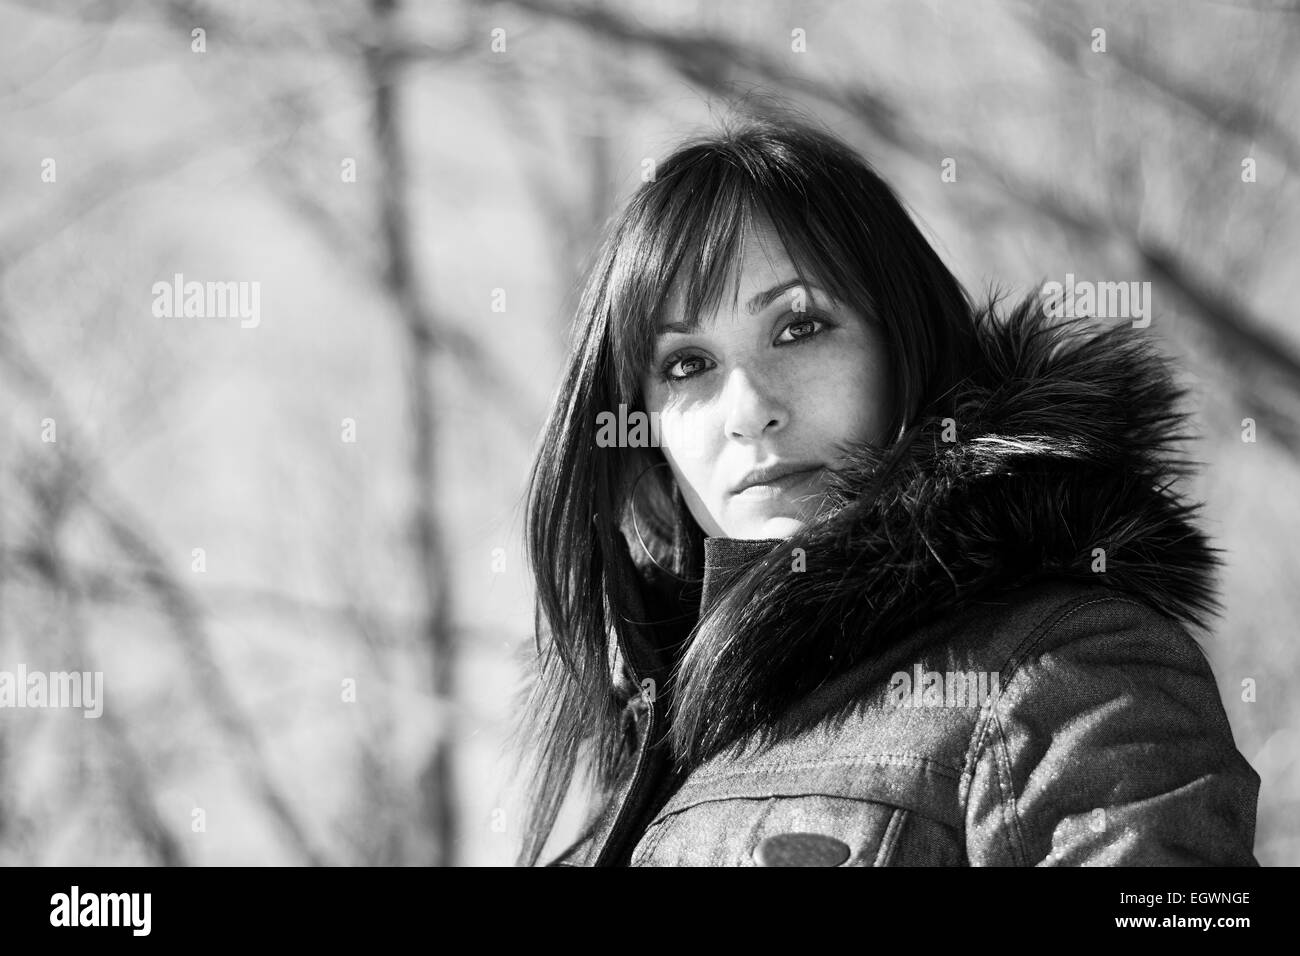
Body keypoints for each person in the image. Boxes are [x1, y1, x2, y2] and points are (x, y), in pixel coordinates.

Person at [508, 108, 1261, 867]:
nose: (749, 411)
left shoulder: (1058, 667)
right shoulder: (641, 772)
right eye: (687, 364)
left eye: (798, 327)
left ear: (903, 348)